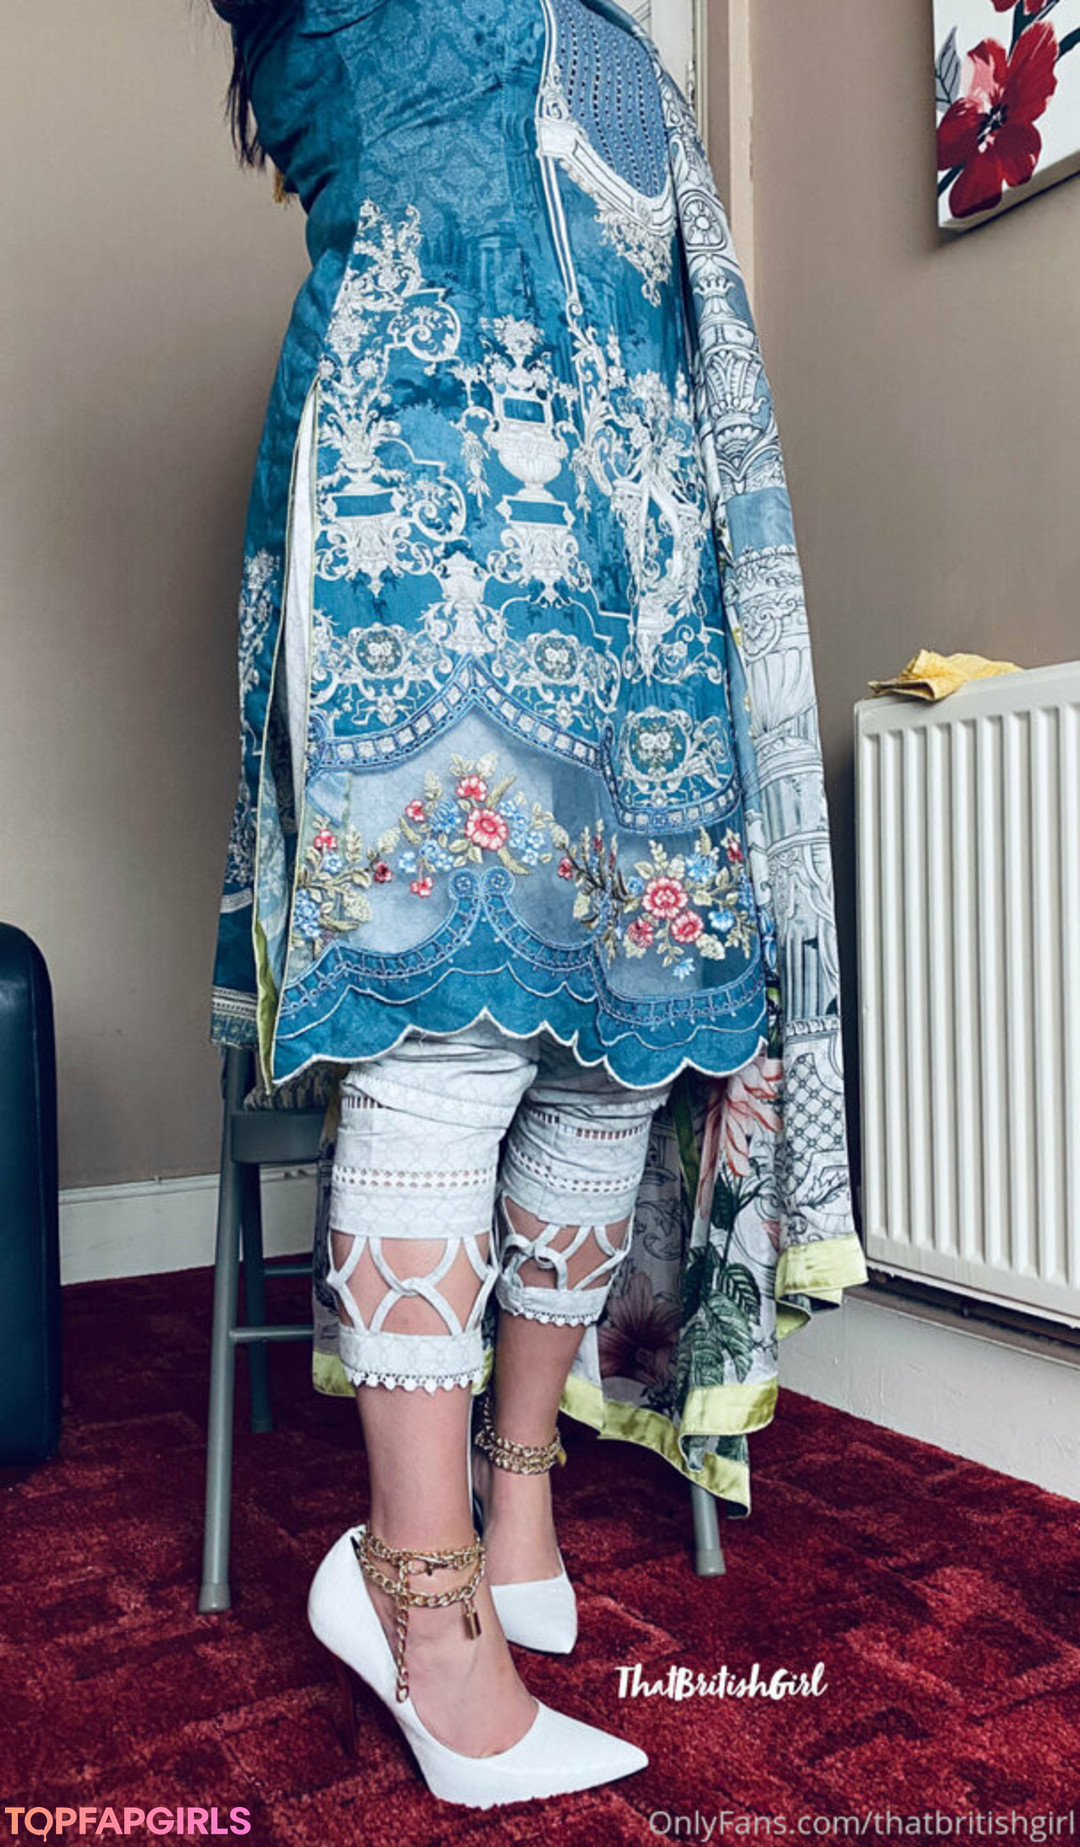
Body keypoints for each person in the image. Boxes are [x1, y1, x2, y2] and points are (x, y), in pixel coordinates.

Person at [205, 0, 867, 1809]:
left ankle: (515, 1504)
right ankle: (417, 1607)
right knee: (451, 1030)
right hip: (440, 505)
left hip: (641, 551)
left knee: (619, 1050)